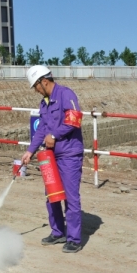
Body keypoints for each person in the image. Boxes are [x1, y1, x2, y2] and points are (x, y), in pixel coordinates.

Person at [21, 65, 85, 254]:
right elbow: (42, 130)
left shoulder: (66, 94)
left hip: (69, 154)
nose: (35, 90)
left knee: (71, 198)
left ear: (44, 81)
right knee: (52, 195)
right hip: (51, 157)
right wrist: (30, 151)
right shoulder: (44, 103)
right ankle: (58, 232)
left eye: (36, 86)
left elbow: (74, 120)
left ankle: (74, 239)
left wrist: (55, 136)